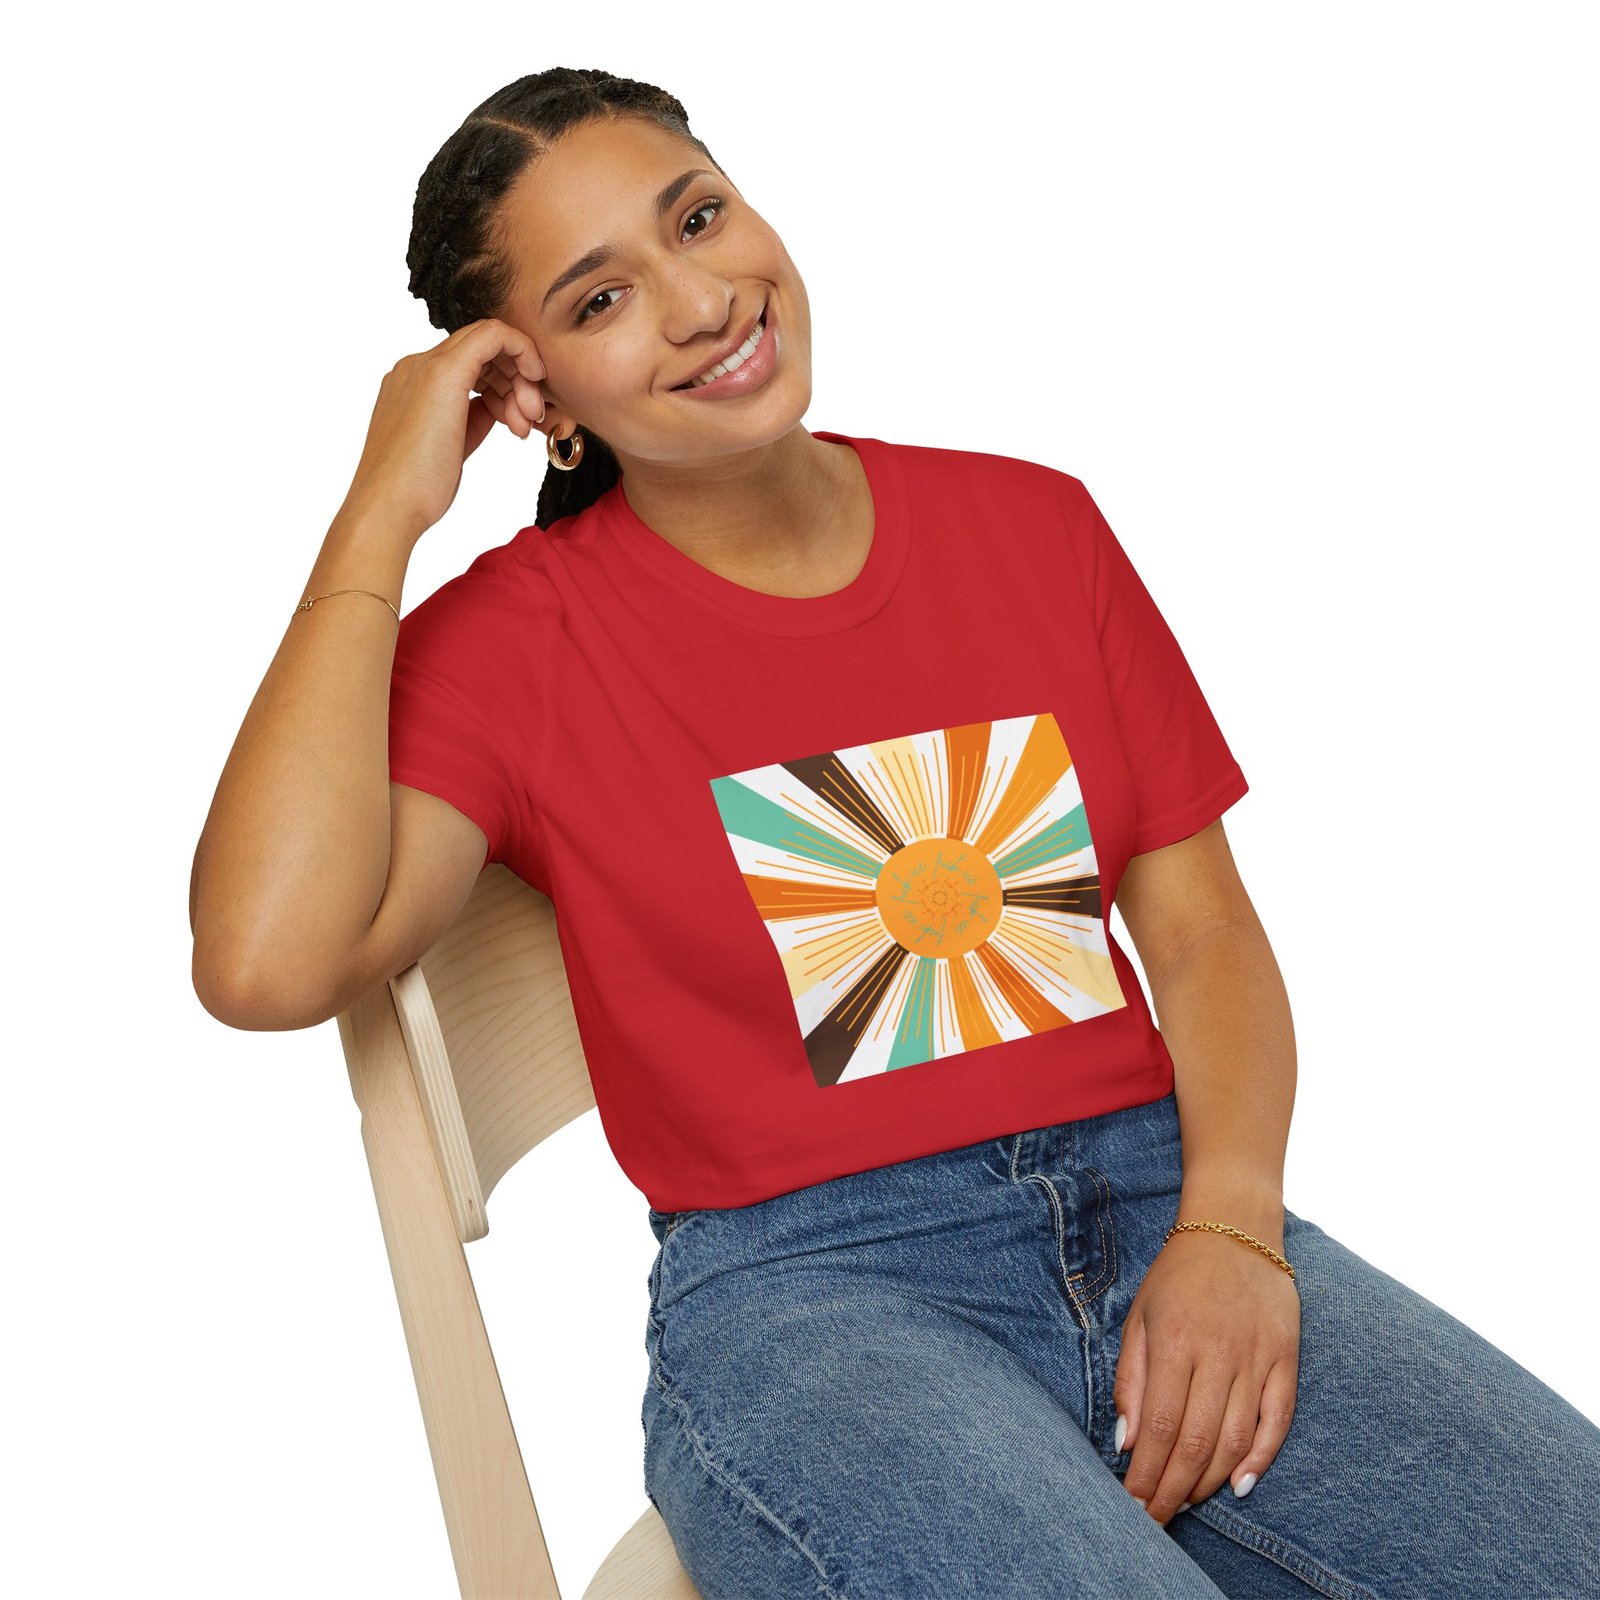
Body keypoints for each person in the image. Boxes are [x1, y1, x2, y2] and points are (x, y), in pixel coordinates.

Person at [189, 66, 1600, 1599]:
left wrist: (1235, 1229)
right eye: (601, 299)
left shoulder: (1036, 528)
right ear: (538, 399)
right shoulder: (518, 645)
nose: (701, 302)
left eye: (698, 219)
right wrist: (379, 513)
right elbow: (265, 961)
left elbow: (1202, 935)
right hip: (815, 1297)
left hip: (1166, 1203)